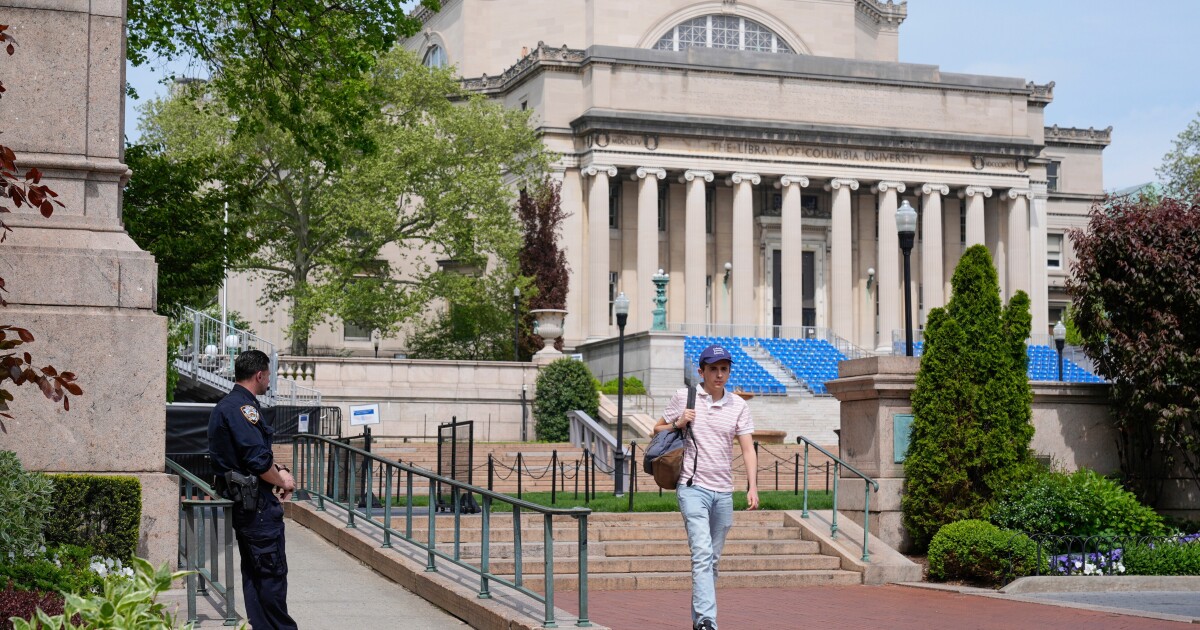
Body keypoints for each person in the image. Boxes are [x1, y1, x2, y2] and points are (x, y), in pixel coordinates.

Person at [655, 344, 758, 630]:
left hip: (723, 492)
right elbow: (656, 429)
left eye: (724, 369)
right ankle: (706, 621)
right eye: (713, 369)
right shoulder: (685, 397)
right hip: (692, 488)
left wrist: (752, 486)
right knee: (701, 554)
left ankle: (700, 619)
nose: (719, 374)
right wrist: (679, 421)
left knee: (711, 560)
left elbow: (748, 449)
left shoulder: (738, 405)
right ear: (701, 371)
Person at [208, 350, 299, 630]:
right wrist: (281, 480)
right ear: (259, 375)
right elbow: (257, 461)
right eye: (268, 375)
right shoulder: (242, 408)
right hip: (256, 510)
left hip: (248, 507)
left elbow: (254, 457)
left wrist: (279, 469)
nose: (269, 381)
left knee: (256, 578)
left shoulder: (228, 405)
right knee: (270, 578)